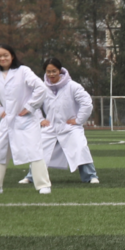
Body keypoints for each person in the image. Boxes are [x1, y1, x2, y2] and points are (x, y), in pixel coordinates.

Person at [0, 44, 50, 196]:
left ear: (12, 56)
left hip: (26, 120)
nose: (2, 58)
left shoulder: (23, 71)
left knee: (34, 151)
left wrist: (30, 107)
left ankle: (43, 185)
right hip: (7, 120)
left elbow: (41, 88)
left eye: (5, 55)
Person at [28, 57, 99, 186]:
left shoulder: (73, 86)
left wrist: (78, 120)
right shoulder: (42, 88)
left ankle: (90, 176)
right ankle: (31, 177)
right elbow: (33, 105)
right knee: (39, 150)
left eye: (54, 71)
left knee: (80, 147)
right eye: (48, 71)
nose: (51, 74)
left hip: (70, 127)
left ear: (60, 71)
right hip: (50, 128)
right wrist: (41, 120)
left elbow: (87, 103)